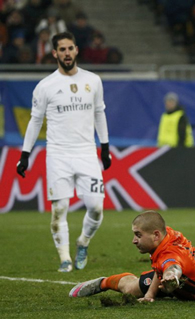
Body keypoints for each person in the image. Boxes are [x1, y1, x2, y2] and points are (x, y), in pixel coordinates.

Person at [16, 31, 112, 273]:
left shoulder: (93, 81)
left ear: (76, 50)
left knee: (97, 207)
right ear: (54, 53)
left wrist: (105, 147)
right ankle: (65, 259)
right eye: (62, 49)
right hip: (58, 154)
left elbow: (99, 113)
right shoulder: (45, 86)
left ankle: (83, 243)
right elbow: (34, 122)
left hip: (86, 153)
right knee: (59, 208)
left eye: (70, 48)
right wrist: (25, 155)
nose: (67, 53)